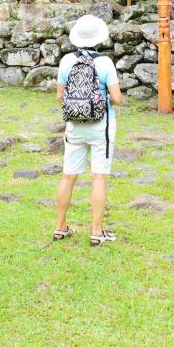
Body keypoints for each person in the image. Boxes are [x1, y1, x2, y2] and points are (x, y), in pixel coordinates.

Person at [54, 15, 123, 246]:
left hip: (74, 126)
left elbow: (59, 97)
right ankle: (96, 231)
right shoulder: (104, 63)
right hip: (100, 126)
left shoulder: (66, 61)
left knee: (68, 176)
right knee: (99, 177)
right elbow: (117, 98)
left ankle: (61, 227)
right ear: (98, 38)